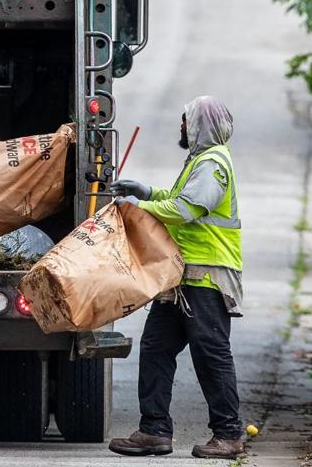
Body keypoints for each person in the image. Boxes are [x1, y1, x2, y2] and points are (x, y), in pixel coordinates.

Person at [107, 95, 244, 459]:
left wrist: (142, 208)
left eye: (186, 121)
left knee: (211, 354)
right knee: (155, 347)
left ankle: (229, 434)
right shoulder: (199, 161)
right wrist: (147, 192)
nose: (182, 127)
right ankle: (154, 430)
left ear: (199, 125)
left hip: (206, 277)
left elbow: (185, 208)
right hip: (183, 277)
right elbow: (177, 197)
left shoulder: (213, 164)